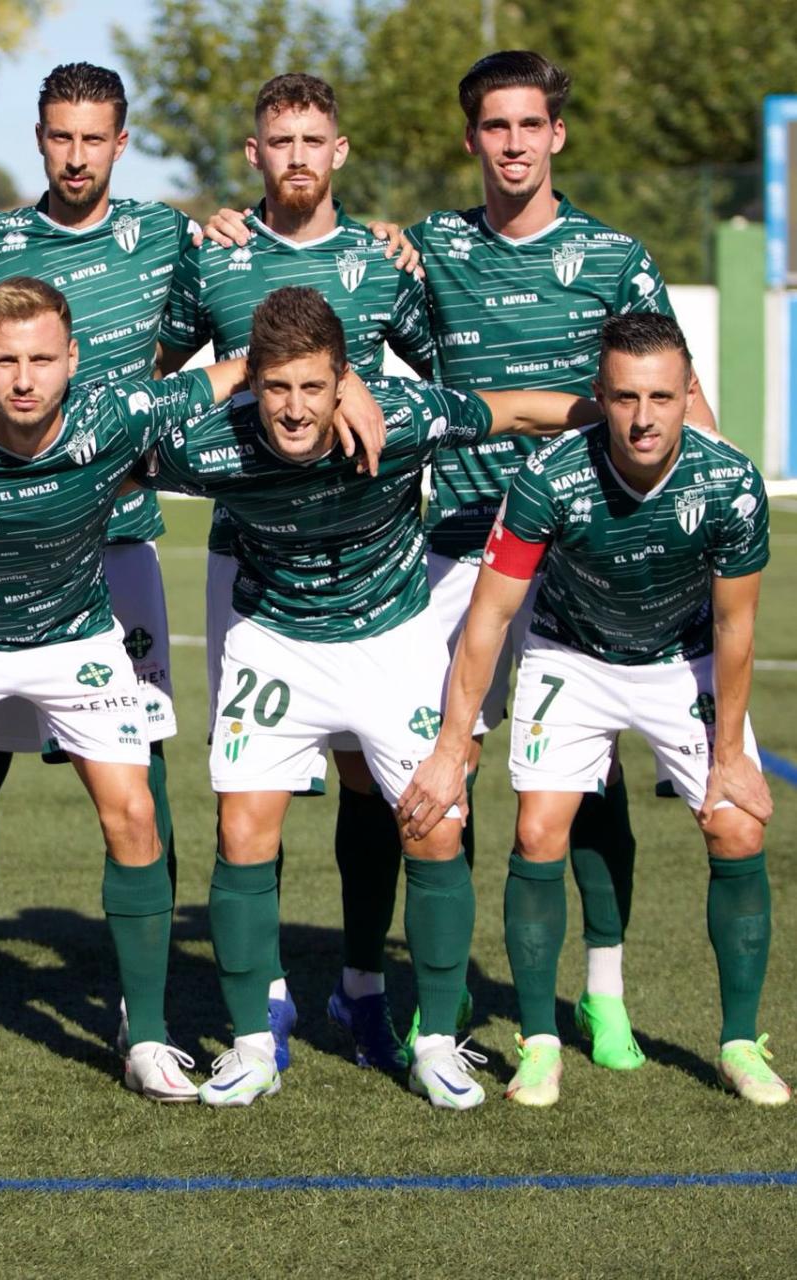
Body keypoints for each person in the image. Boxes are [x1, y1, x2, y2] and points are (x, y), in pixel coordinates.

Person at [0, 62, 388, 1056]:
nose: (74, 155)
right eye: (58, 136)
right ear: (38, 137)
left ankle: (139, 1006)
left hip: (117, 544)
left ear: (119, 141)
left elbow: (258, 323)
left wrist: (314, 293)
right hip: (2, 544)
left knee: (133, 776)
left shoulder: (173, 237)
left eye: (92, 137)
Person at [0, 276, 380, 1102]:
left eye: (41, 359)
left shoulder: (116, 414)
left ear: (73, 360)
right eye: (3, 360)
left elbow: (251, 368)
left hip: (75, 638)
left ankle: (143, 1034)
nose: (23, 378)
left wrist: (346, 380)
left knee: (135, 812)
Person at [146, 286, 593, 1109]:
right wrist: (231, 375)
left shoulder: (405, 416)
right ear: (254, 385)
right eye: (277, 387)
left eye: (314, 387)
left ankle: (433, 1045)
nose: (293, 408)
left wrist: (620, 414)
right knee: (242, 832)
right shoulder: (209, 446)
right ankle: (250, 1044)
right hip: (273, 640)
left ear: (343, 381)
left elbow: (521, 413)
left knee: (436, 826)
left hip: (391, 640)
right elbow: (113, 428)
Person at [403, 51, 717, 1064]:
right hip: (458, 542)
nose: (510, 143)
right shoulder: (428, 246)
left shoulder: (614, 255)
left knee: (587, 784)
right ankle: (436, 997)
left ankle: (604, 990)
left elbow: (676, 397)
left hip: (586, 556)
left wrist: (711, 513)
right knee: (439, 770)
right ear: (470, 140)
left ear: (555, 136)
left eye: (527, 125)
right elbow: (330, 267)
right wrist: (238, 222)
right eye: (492, 127)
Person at [398, 313, 785, 1107]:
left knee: (735, 822)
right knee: (539, 829)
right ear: (599, 398)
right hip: (570, 653)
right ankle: (541, 1044)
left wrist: (732, 753)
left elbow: (736, 626)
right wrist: (449, 742)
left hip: (683, 658)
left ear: (686, 398)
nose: (643, 418)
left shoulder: (730, 482)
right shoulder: (548, 476)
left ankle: (741, 1042)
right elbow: (489, 616)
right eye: (624, 398)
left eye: (661, 398)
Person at [164, 71, 435, 1072]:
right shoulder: (216, 261)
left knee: (373, 777)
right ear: (252, 154)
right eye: (277, 140)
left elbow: (439, 376)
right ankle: (262, 998)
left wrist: (361, 370)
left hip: (370, 567)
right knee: (251, 784)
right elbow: (156, 387)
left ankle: (358, 983)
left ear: (339, 151)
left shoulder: (381, 259)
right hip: (252, 567)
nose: (295, 157)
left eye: (312, 139)